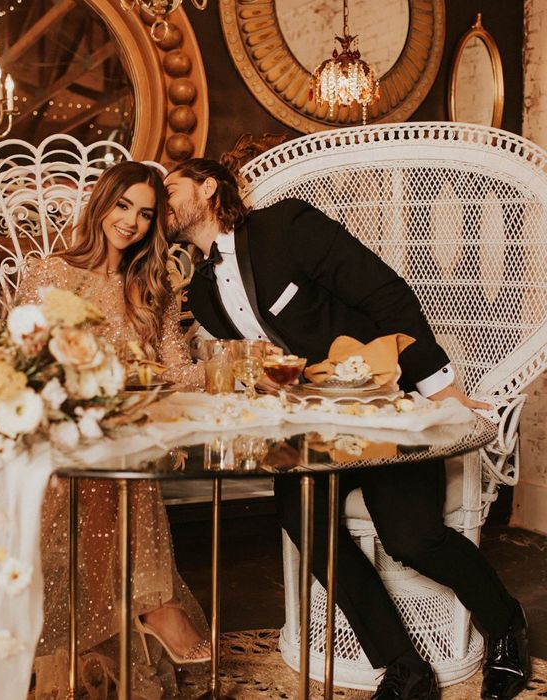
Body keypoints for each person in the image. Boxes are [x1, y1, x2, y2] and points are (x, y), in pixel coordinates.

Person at [165, 157, 530, 700]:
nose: (162, 200)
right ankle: (404, 666)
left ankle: (507, 628)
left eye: (170, 188)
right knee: (304, 523)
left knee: (411, 537)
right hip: (305, 429)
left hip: (380, 405)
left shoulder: (286, 226)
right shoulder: (202, 291)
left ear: (209, 186)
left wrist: (437, 385)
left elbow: (386, 293)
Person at [16, 161, 209, 699]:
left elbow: (173, 368)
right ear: (102, 204)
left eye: (146, 214)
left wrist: (232, 372)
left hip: (122, 436)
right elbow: (23, 362)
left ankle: (135, 618)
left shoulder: (150, 285)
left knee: (120, 460)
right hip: (58, 432)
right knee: (101, 467)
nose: (131, 222)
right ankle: (152, 603)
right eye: (123, 206)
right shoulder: (50, 274)